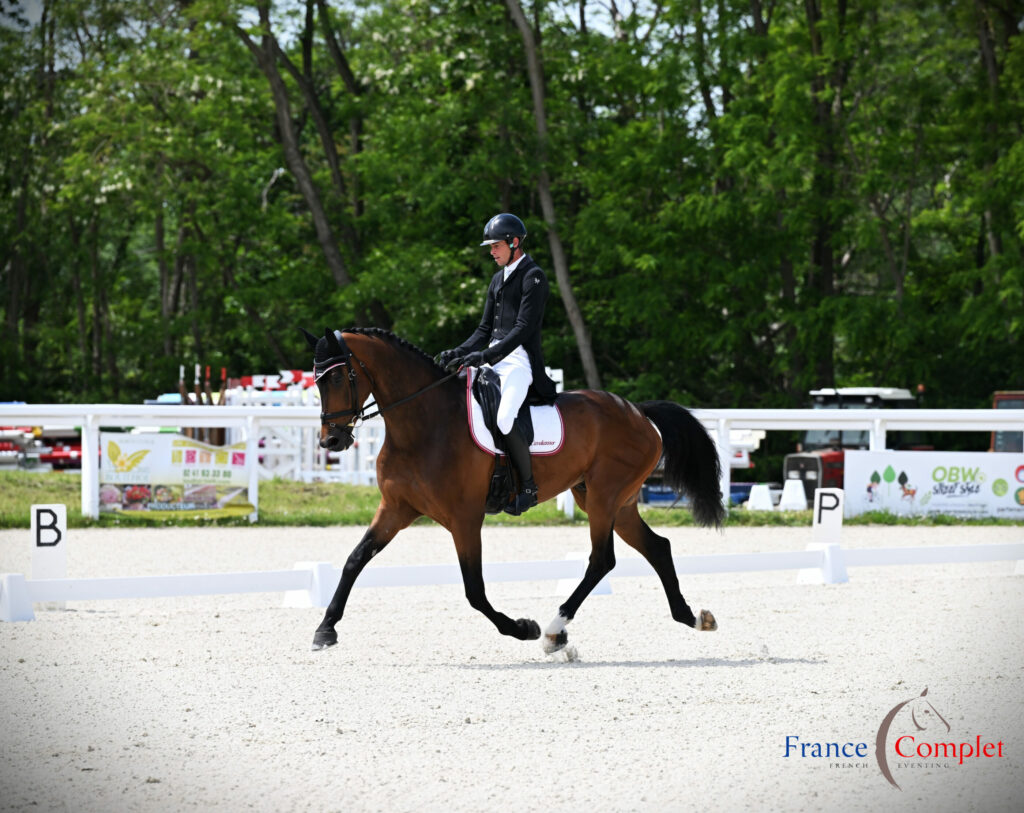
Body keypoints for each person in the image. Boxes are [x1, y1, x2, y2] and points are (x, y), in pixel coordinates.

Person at [438, 213, 557, 515]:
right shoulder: (497, 279)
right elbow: (483, 331)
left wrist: (486, 356)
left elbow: (523, 329)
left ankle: (528, 487)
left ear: (514, 243)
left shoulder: (534, 277)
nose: (491, 251)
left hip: (518, 362)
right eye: (490, 247)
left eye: (495, 246)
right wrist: (459, 351)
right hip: (492, 361)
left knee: (505, 419)